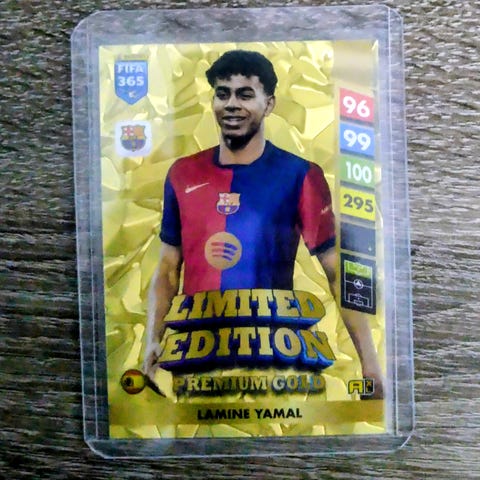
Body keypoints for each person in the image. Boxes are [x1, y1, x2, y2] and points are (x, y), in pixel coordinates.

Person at [143, 50, 383, 398]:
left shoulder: (300, 175)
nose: (232, 104)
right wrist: (152, 341)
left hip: (273, 364)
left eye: (245, 94)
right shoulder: (182, 173)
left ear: (269, 104)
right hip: (193, 363)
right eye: (223, 94)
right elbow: (167, 269)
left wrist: (371, 366)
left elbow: (337, 274)